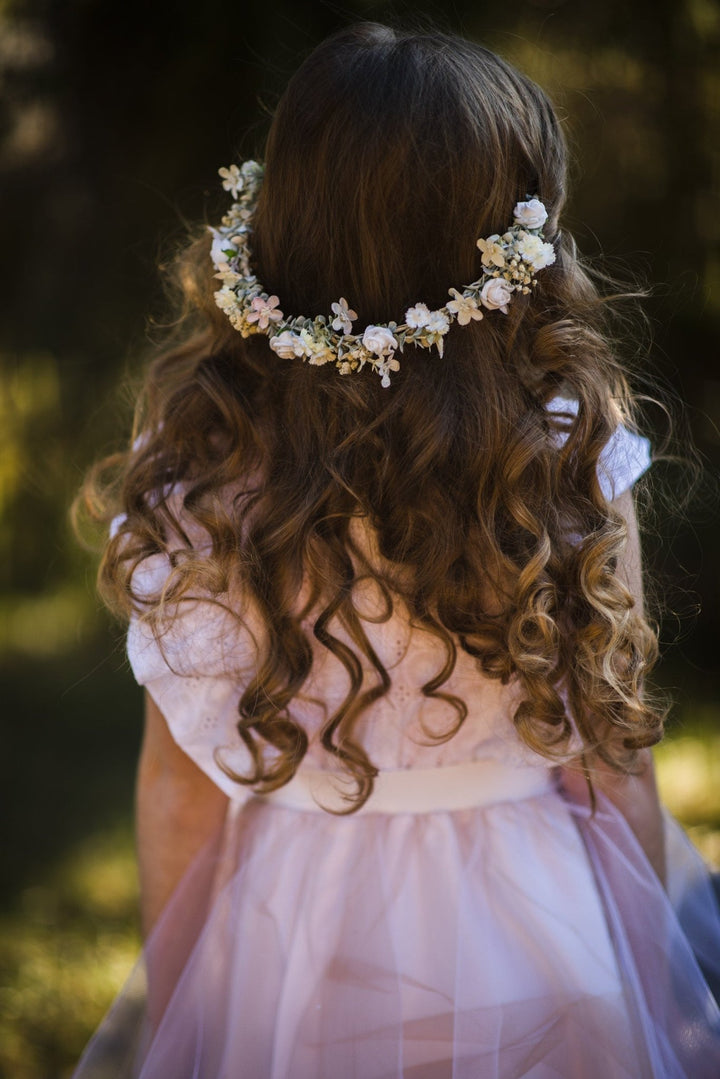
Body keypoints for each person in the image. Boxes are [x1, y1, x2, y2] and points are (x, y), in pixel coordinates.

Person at [73, 22, 720, 1078]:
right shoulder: (564, 446)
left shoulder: (206, 460)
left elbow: (180, 793)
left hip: (299, 944)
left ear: (282, 219)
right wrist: (645, 983)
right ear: (509, 241)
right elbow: (614, 765)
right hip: (535, 931)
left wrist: (187, 1006)